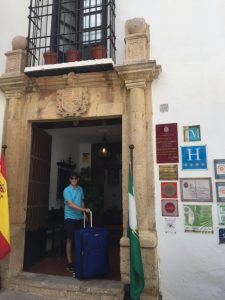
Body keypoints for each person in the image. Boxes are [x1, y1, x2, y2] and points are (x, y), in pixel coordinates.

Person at [63, 172, 90, 272]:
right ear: (70, 180)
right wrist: (83, 210)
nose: (74, 180)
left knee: (80, 239)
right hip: (70, 218)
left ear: (78, 179)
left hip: (79, 218)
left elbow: (82, 201)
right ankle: (69, 262)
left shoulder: (80, 189)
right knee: (70, 239)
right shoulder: (67, 190)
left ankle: (79, 260)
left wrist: (84, 214)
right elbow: (70, 204)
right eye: (72, 178)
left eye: (75, 178)